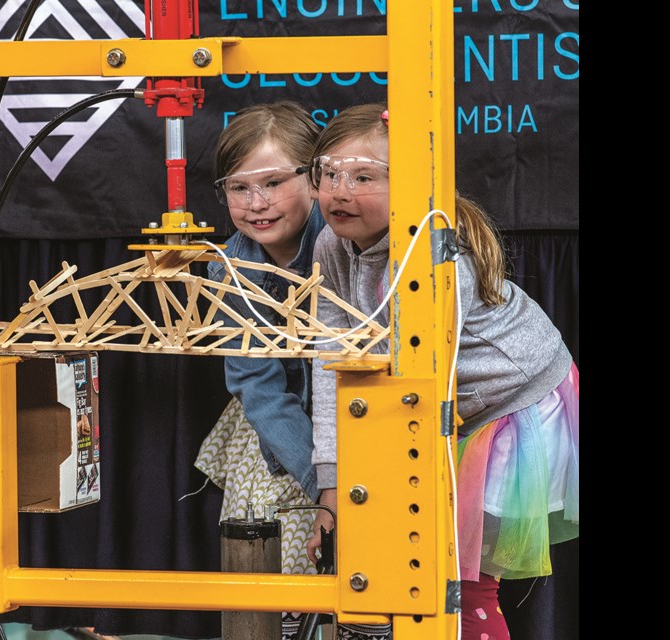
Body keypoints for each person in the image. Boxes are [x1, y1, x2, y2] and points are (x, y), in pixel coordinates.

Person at [306, 102, 579, 639]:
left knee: (458, 582)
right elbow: (330, 362)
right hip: (449, 410)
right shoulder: (330, 246)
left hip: (513, 410)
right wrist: (332, 483)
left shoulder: (437, 255)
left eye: (363, 176)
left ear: (410, 181)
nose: (339, 191)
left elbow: (412, 381)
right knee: (434, 577)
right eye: (328, 173)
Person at [192, 100, 325, 640]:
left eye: (272, 182)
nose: (257, 203)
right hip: (279, 432)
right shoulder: (230, 266)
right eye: (239, 188)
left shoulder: (347, 244)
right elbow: (258, 384)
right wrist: (323, 487)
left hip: (360, 421)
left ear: (316, 177)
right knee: (275, 584)